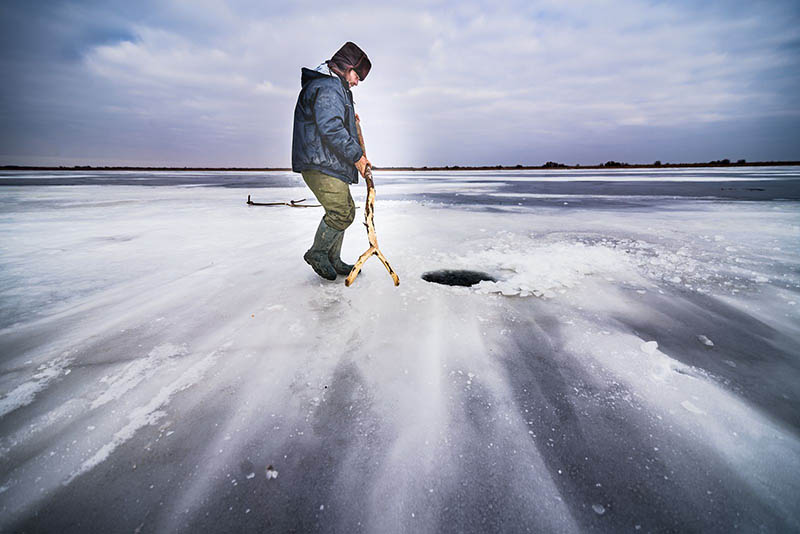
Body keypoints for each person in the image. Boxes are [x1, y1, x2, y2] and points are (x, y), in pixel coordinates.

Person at [292, 42, 372, 281]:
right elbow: (330, 127)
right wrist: (356, 157)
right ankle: (318, 254)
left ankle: (332, 258)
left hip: (328, 162)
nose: (357, 82)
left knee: (345, 210)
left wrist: (351, 118)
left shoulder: (335, 87)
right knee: (341, 212)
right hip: (319, 163)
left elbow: (334, 122)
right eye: (357, 75)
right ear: (346, 67)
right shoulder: (328, 87)